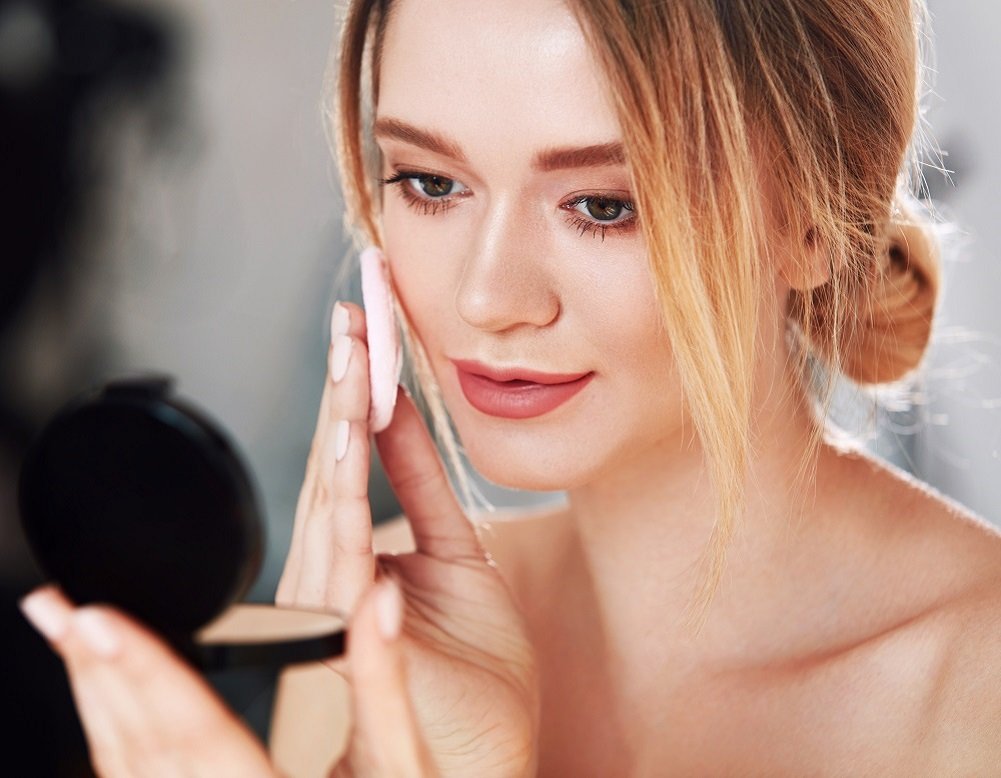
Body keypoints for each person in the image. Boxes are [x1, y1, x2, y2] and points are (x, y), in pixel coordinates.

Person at [18, 0, 1001, 774]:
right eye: (429, 183)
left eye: (601, 205)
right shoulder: (386, 615)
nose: (486, 297)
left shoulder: (973, 686)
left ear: (811, 225)